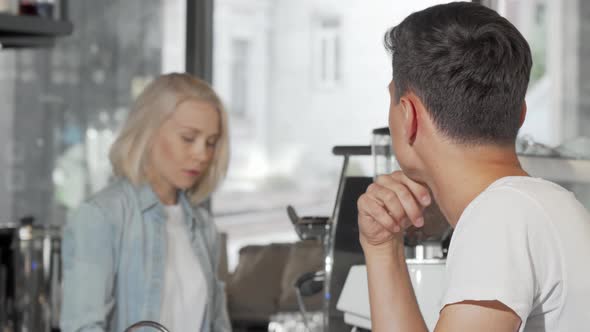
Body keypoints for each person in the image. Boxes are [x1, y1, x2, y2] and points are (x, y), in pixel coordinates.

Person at [357, 2, 590, 332]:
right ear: (520, 115)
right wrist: (382, 249)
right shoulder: (543, 206)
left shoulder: (500, 216)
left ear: (408, 116)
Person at [60, 73, 232, 332]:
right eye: (188, 138)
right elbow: (82, 327)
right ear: (149, 132)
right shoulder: (102, 217)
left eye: (210, 143)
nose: (202, 154)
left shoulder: (203, 227)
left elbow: (218, 325)